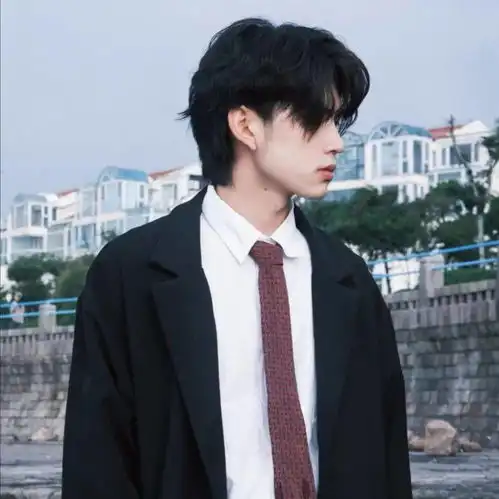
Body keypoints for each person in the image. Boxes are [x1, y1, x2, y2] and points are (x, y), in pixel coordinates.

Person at [62, 17, 412, 499]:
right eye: (315, 120)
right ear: (245, 124)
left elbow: (387, 457)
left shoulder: (348, 280)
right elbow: (96, 464)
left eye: (338, 121)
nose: (336, 141)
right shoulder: (129, 276)